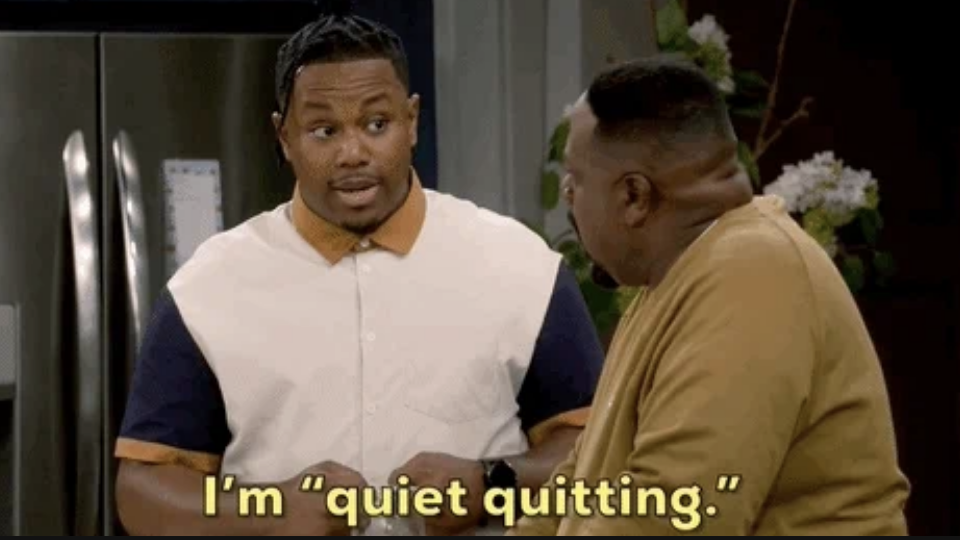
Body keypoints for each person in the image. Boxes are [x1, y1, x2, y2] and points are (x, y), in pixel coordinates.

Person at [112, 3, 604, 536]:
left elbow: (596, 450)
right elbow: (142, 493)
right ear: (283, 138)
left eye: (376, 123)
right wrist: (270, 512)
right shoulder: (208, 289)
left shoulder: (521, 268)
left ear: (411, 121)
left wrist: (493, 484)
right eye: (324, 130)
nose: (353, 152)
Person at [506, 56, 910, 535]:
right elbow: (583, 480)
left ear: (634, 196)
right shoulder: (678, 274)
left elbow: (670, 518)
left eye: (574, 183)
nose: (568, 200)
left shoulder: (755, 276)